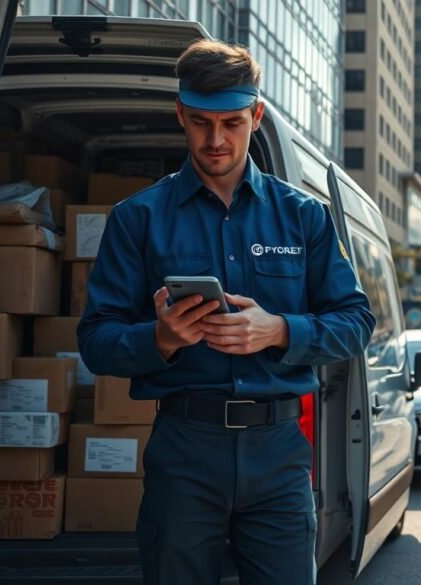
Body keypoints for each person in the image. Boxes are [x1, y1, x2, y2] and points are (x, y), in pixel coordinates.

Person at [76, 40, 375, 585]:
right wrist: (161, 339)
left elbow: (356, 323)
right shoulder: (137, 218)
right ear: (180, 115)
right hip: (185, 453)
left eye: (233, 123)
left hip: (280, 454)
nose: (216, 140)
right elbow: (96, 341)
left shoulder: (305, 217)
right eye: (200, 123)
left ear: (256, 115)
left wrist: (280, 329)